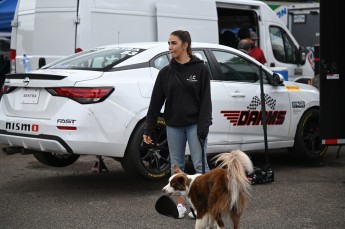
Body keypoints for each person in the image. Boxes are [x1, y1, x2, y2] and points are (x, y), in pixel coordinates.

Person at [143, 30, 212, 219]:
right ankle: (181, 206)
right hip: (173, 125)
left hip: (195, 125)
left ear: (185, 45)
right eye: (169, 43)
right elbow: (155, 103)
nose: (170, 47)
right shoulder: (166, 72)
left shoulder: (201, 69)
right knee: (176, 166)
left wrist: (204, 125)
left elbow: (206, 101)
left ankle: (200, 205)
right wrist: (149, 128)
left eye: (174, 43)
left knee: (200, 166)